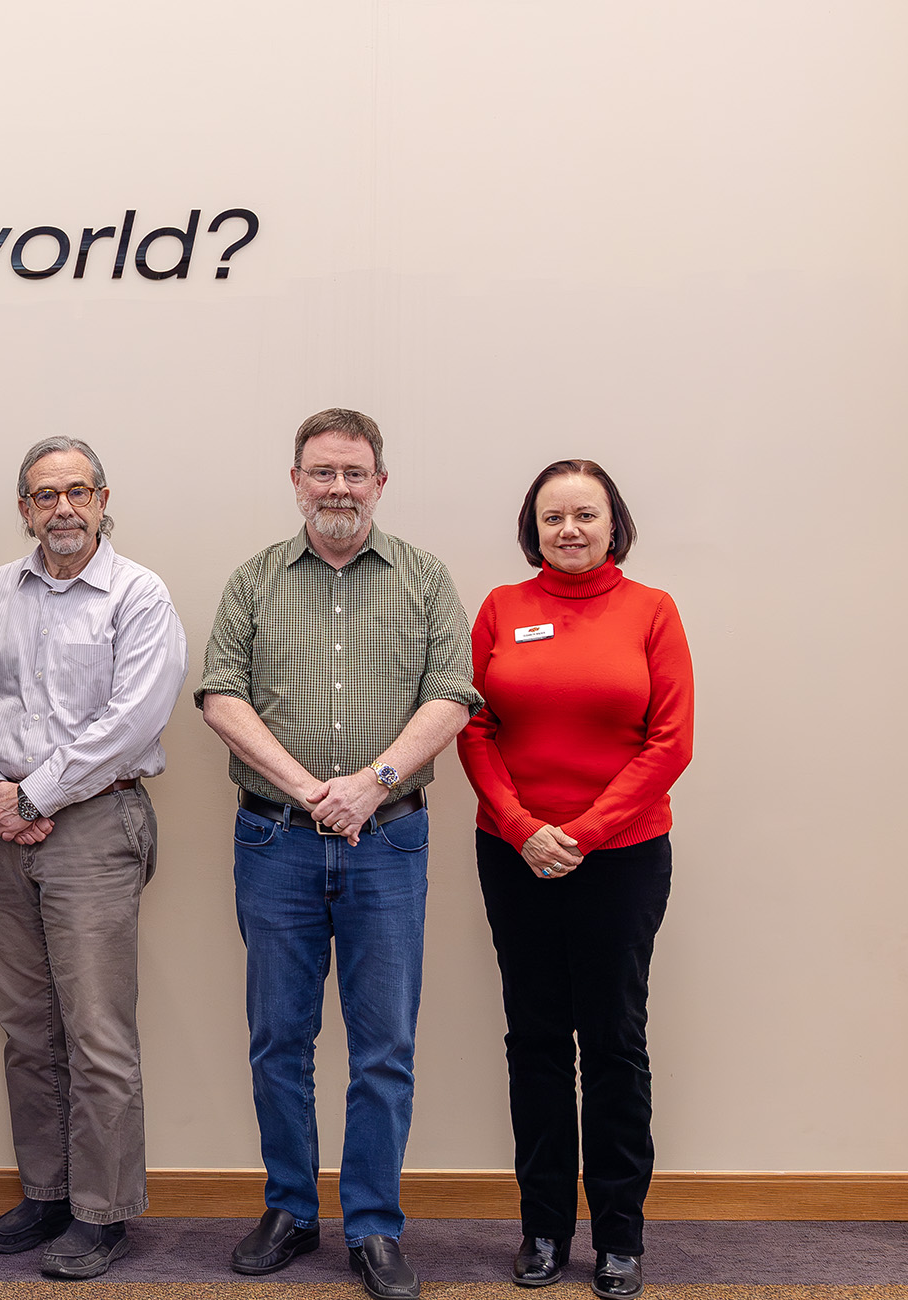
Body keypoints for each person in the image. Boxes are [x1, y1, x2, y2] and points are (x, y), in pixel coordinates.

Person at [194, 409, 481, 1300]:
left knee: (383, 1045)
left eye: (355, 473)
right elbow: (219, 696)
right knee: (279, 1037)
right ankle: (290, 1207)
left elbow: (453, 694)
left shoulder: (426, 580)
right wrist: (312, 789)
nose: (339, 489)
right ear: (295, 480)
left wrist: (370, 782)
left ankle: (373, 1225)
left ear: (381, 483)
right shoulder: (253, 582)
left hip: (389, 838)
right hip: (275, 836)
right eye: (322, 472)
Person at [0, 436, 187, 1280]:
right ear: (24, 508)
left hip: (93, 826)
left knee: (97, 1033)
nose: (63, 510)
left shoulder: (138, 594)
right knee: (25, 1029)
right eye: (45, 496)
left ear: (103, 497)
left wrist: (35, 795)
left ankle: (103, 1212)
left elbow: (133, 717)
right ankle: (47, 1194)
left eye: (77, 493)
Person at [454, 460, 691, 1300]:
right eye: (552, 517)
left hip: (621, 858)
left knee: (616, 1043)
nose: (569, 530)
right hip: (515, 855)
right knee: (537, 1042)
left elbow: (669, 743)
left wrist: (582, 835)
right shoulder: (502, 610)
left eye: (585, 515)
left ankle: (619, 1237)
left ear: (612, 522)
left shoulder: (651, 612)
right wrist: (523, 829)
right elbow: (472, 726)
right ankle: (544, 1231)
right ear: (534, 528)